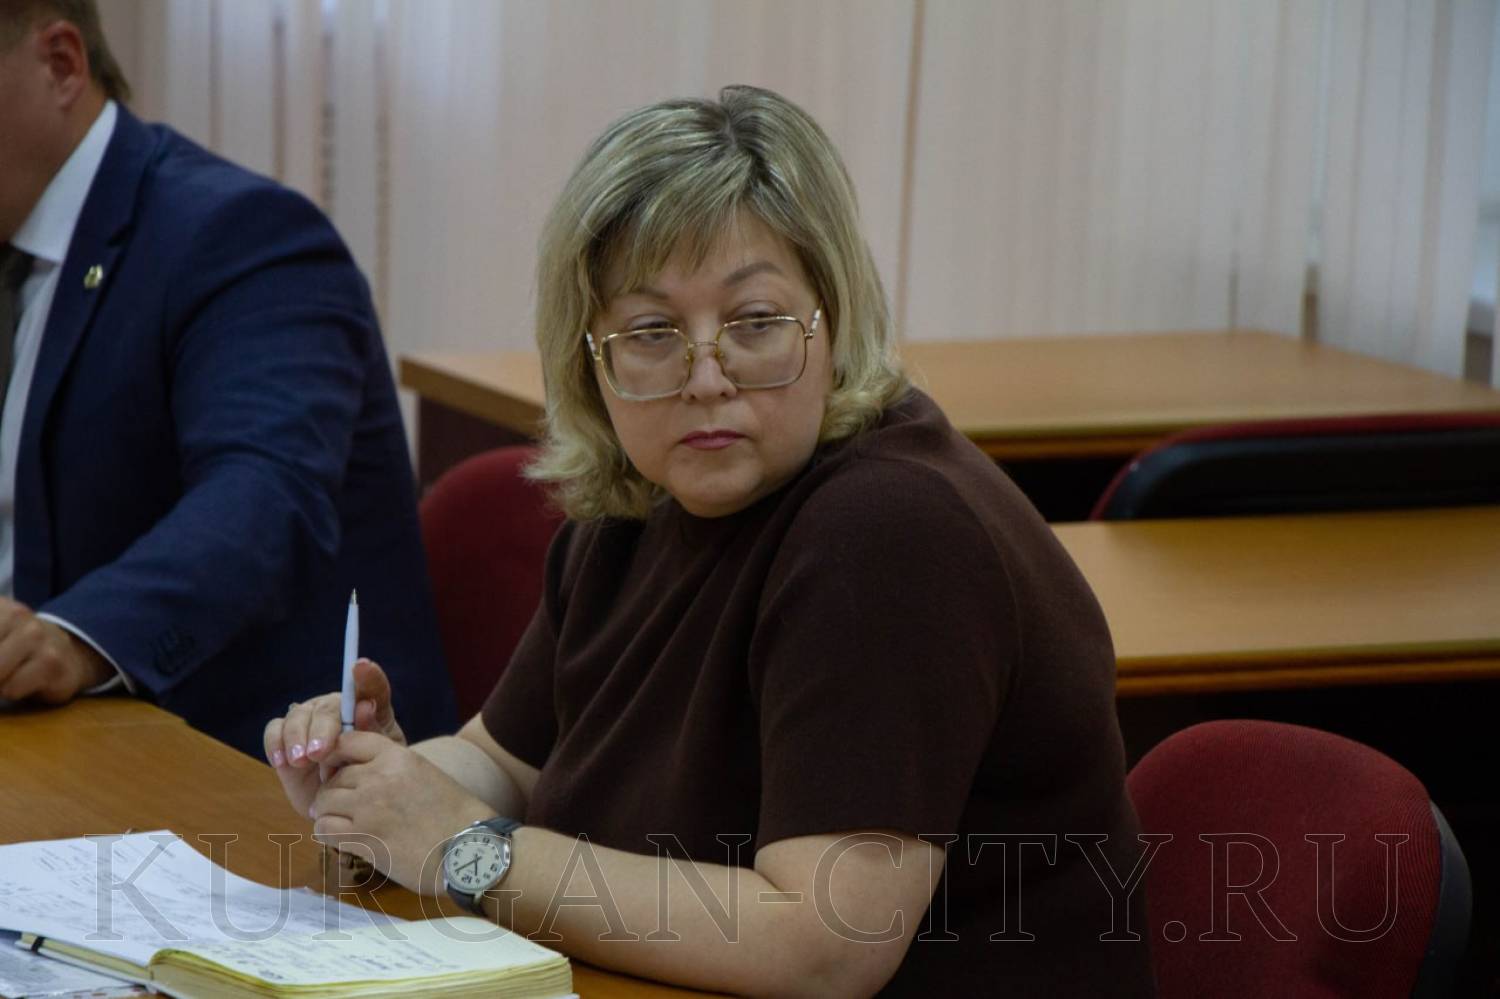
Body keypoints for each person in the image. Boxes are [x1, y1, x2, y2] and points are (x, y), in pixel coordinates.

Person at [269, 85, 1155, 996]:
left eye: (756, 322)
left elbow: (826, 943)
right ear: (591, 358)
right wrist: (381, 783)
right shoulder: (638, 505)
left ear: (834, 321)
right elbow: (501, 762)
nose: (705, 377)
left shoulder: (890, 532)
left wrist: (465, 848)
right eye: (651, 332)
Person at [0, 0, 455, 754]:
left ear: (61, 64)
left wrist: (74, 637)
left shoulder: (243, 235)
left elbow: (264, 498)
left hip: (265, 758)